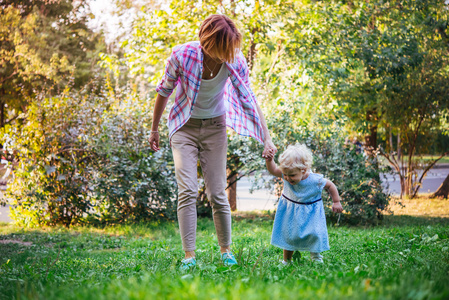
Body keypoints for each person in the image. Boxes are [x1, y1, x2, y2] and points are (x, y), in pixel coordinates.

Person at [149, 14, 277, 270]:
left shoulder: (234, 60)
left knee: (217, 193)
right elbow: (164, 91)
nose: (229, 53)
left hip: (215, 127)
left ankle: (226, 252)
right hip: (184, 127)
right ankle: (189, 256)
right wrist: (154, 129)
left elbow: (250, 99)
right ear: (208, 42)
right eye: (224, 47)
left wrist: (267, 137)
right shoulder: (181, 55)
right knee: (186, 190)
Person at [264, 143, 342, 264]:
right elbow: (273, 170)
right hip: (291, 211)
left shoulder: (315, 180)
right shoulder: (287, 172)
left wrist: (336, 202)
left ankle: (316, 257)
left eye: (292, 175)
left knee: (314, 234)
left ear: (303, 170)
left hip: (311, 213)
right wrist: (269, 161)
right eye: (285, 175)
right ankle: (287, 260)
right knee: (289, 235)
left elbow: (330, 185)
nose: (288, 178)